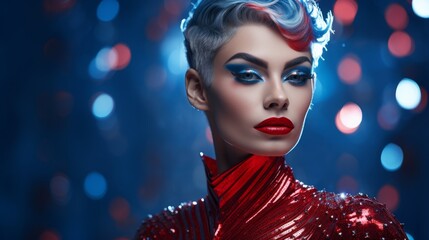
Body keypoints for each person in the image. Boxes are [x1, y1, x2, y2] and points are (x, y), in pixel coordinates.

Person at [135, 0, 407, 239]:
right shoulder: (163, 233)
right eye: (249, 75)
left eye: (296, 76)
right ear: (198, 90)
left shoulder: (358, 227)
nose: (279, 96)